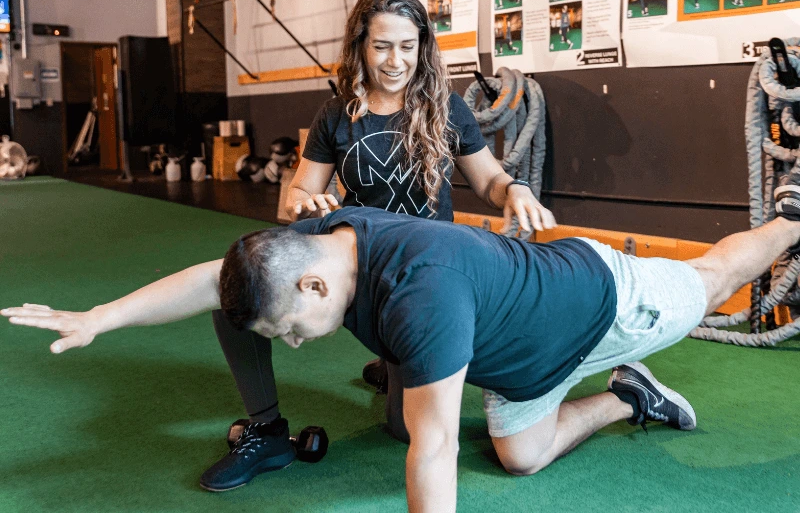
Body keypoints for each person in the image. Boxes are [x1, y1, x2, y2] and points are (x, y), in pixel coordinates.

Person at [7, 186, 800, 511]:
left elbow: (430, 451)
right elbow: (211, 281)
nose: (291, 342)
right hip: (520, 356)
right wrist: (103, 315)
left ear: (317, 290)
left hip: (603, 300)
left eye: (289, 328)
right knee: (520, 456)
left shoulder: (423, 296)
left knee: (716, 271)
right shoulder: (320, 241)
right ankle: (628, 393)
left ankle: (789, 216)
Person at [210, 0, 555, 490]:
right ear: (360, 47)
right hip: (358, 270)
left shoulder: (446, 107)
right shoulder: (337, 113)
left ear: (422, 47)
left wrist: (516, 189)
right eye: (381, 46)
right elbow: (300, 190)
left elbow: (488, 181)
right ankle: (265, 428)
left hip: (423, 281)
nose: (395, 60)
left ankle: (395, 361)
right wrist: (304, 200)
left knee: (402, 428)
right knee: (237, 290)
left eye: (407, 46)